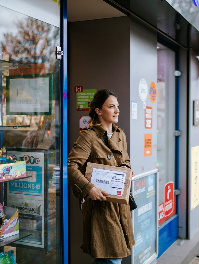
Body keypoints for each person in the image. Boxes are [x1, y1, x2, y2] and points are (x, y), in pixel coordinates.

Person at [68, 90, 135, 264]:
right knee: (111, 257)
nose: (117, 111)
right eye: (111, 106)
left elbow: (126, 161)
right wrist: (89, 189)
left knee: (113, 257)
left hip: (120, 204)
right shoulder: (88, 137)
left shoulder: (121, 135)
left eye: (117, 107)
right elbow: (71, 167)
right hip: (101, 208)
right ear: (98, 111)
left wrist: (127, 170)